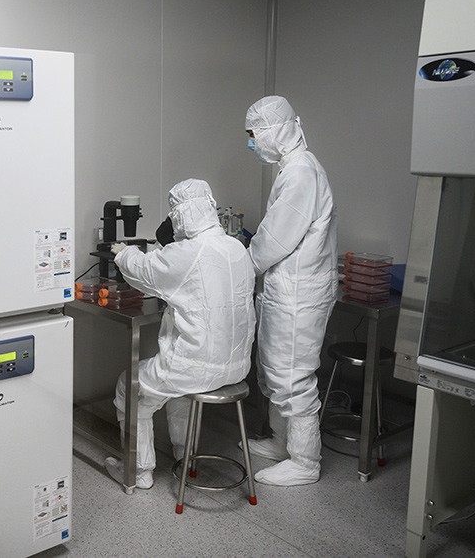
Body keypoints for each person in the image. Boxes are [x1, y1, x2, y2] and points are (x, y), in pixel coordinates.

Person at [104, 178, 255, 489]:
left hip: (196, 367)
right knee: (178, 392)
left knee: (129, 387)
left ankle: (139, 471)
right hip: (238, 366)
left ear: (180, 215)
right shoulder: (237, 248)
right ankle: (185, 453)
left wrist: (122, 253)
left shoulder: (188, 252)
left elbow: (144, 271)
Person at [243, 95, 337, 486]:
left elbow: (276, 238)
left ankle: (304, 461)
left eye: (254, 134)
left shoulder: (301, 172)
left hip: (300, 295)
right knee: (274, 369)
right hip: (286, 291)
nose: (251, 143)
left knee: (292, 374)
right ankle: (282, 442)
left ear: (274, 131)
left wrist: (242, 266)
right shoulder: (292, 169)